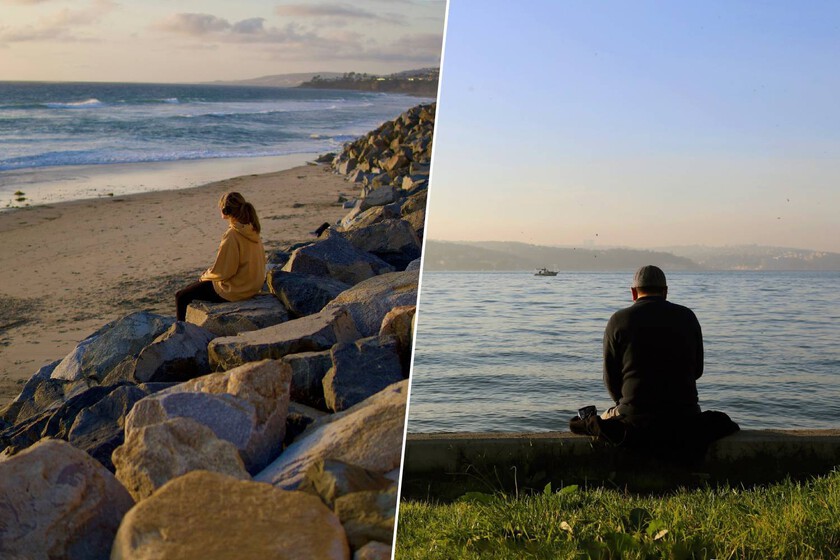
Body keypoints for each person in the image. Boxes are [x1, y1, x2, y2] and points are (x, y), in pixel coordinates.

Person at [601, 265, 703, 422]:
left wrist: (625, 404)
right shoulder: (688, 317)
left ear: (633, 292)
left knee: (600, 421)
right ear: (665, 291)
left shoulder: (618, 320)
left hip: (633, 414)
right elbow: (697, 370)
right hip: (686, 413)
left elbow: (610, 378)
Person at [175, 192, 266, 321]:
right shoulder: (252, 229)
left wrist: (204, 276)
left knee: (181, 296)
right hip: (252, 285)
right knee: (194, 288)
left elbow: (224, 272)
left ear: (225, 210)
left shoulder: (232, 235)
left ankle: (181, 333)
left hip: (236, 289)